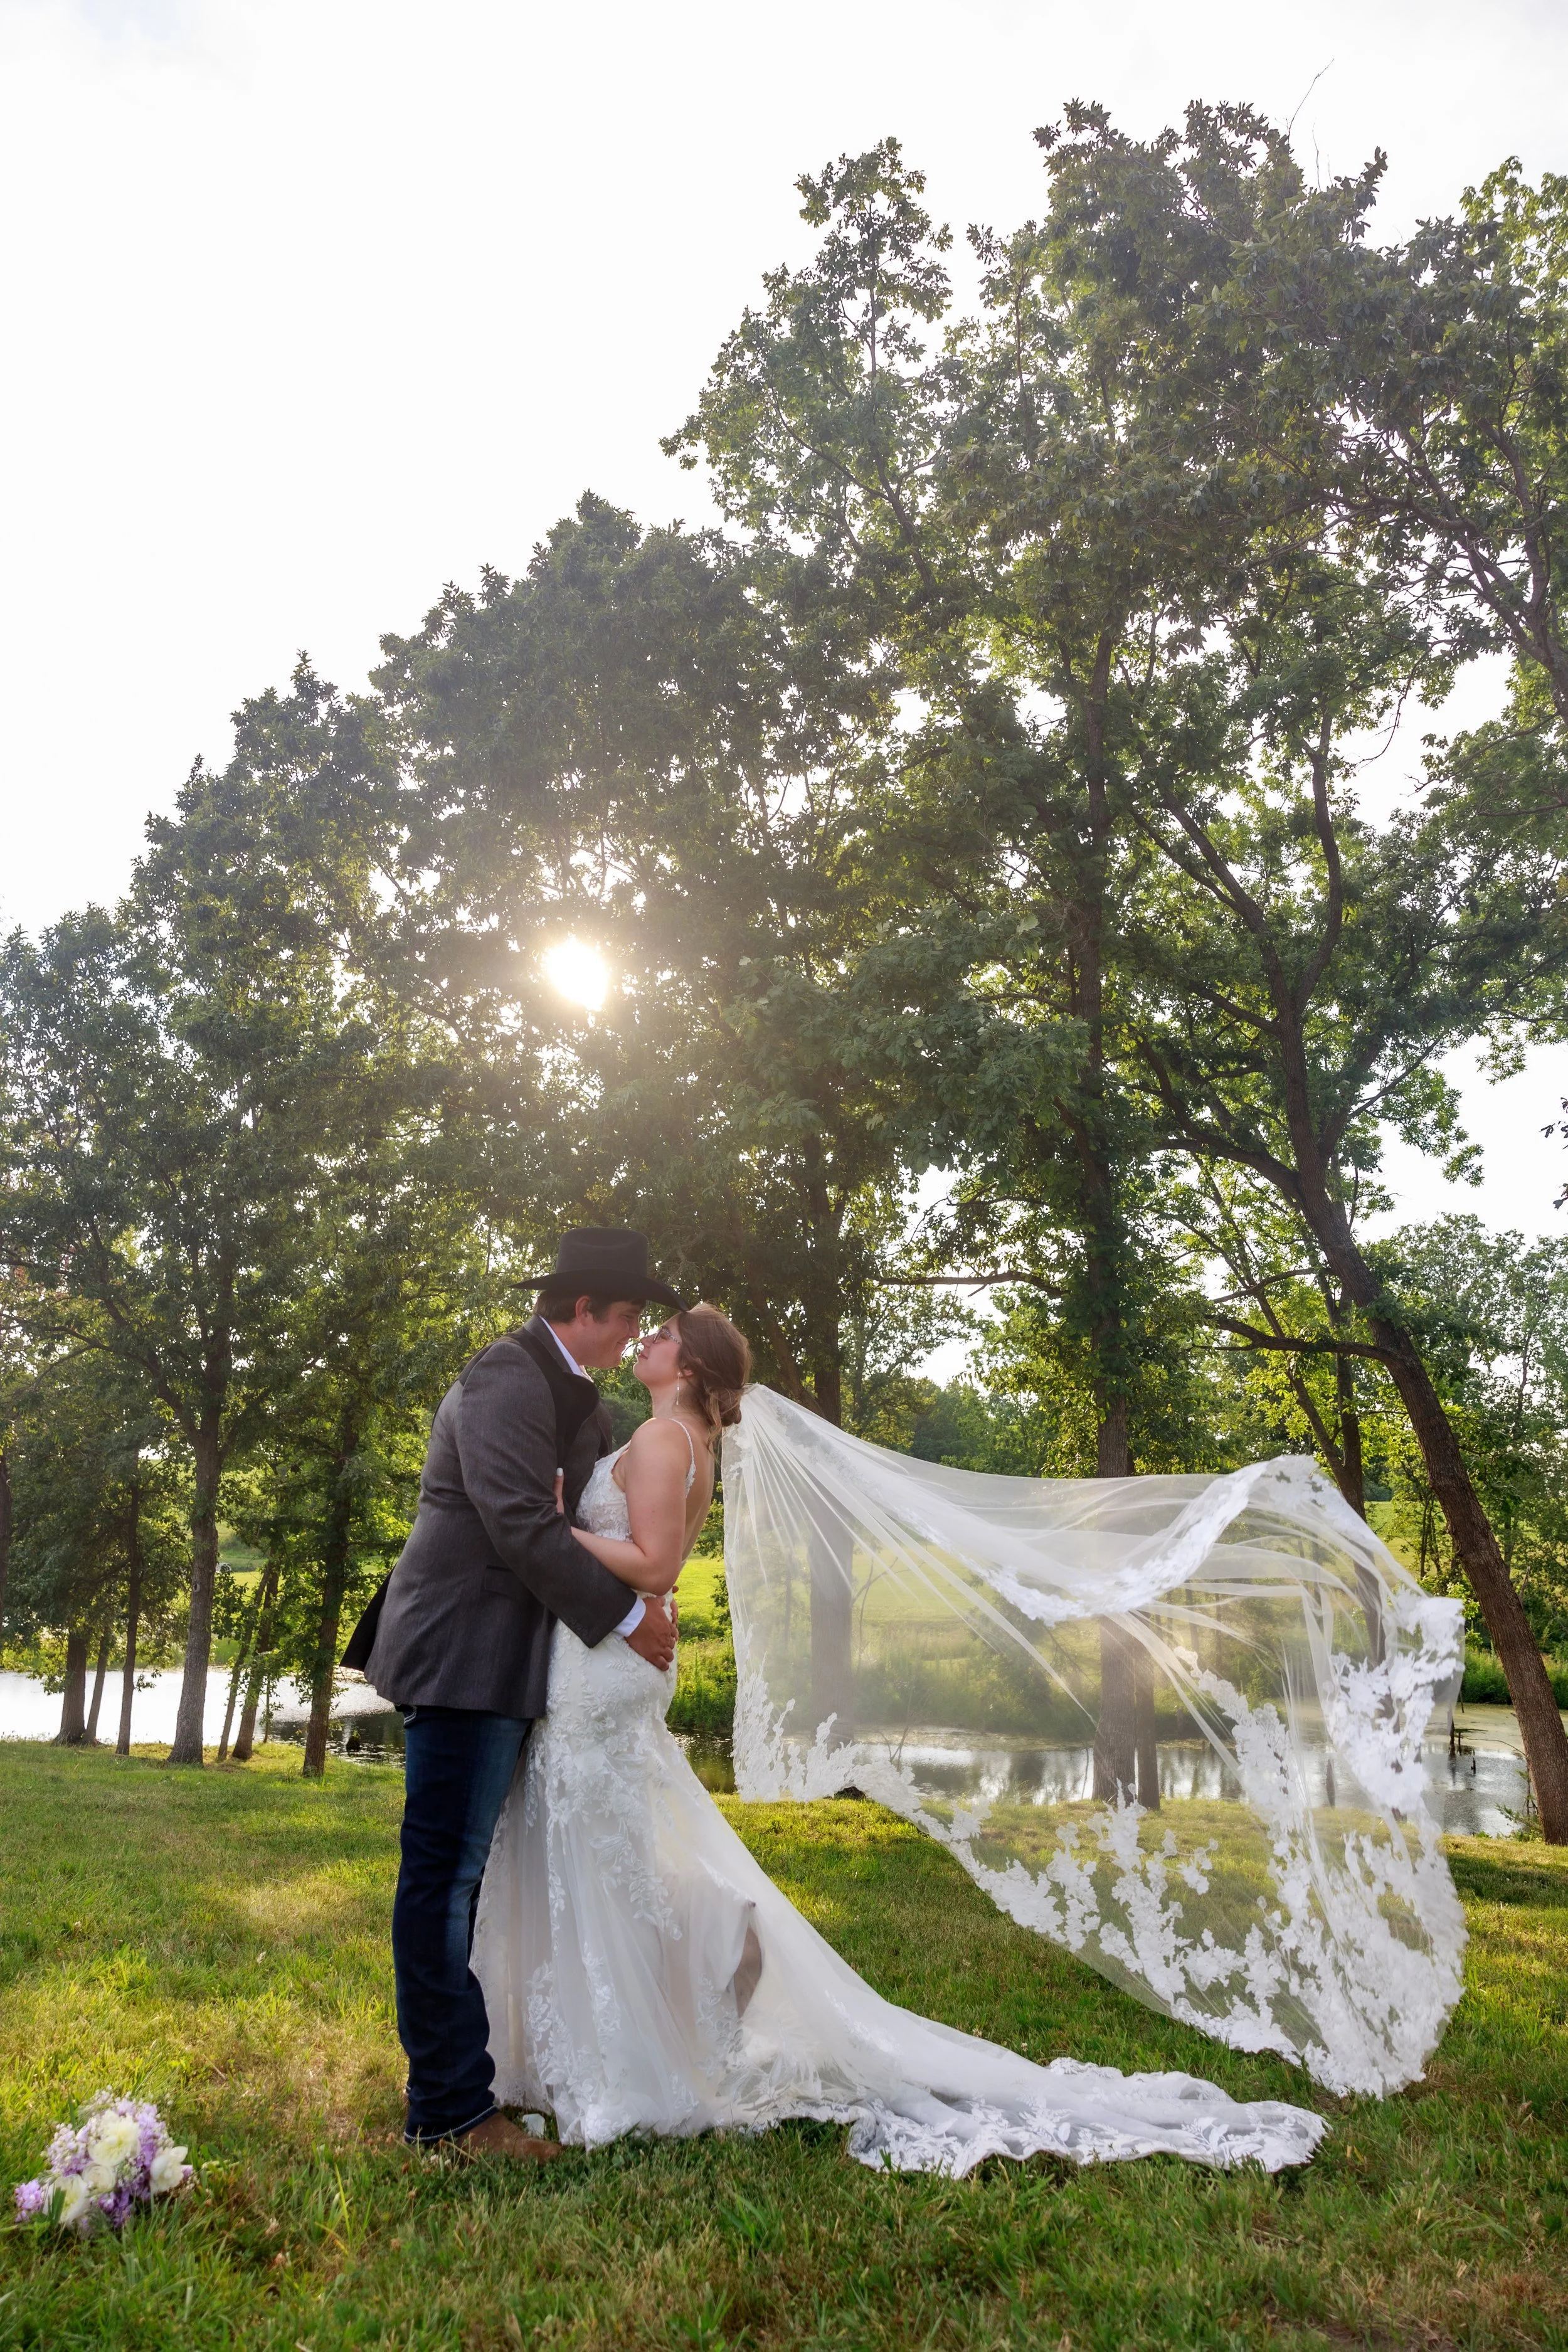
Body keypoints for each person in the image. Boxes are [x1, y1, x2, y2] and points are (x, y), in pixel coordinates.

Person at [470, 1301, 1328, 2176]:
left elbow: (654, 1568)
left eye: (661, 1336)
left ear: (687, 1368)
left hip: (604, 1666)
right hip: (614, 1661)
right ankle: (664, 1993)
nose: (645, 1339)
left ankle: (671, 2004)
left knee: (597, 1844)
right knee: (606, 1842)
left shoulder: (661, 1443)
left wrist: (556, 1527)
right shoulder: (690, 1442)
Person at [355, 1227, 685, 2158]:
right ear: (582, 1309)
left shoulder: (587, 1405)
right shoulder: (506, 1376)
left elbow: (563, 1519)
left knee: (474, 1872)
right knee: (444, 1876)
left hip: (518, 1661)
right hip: (462, 1648)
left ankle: (485, 2073)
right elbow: (514, 1520)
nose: (630, 1335)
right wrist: (627, 1618)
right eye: (623, 1317)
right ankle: (452, 2112)